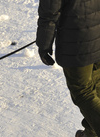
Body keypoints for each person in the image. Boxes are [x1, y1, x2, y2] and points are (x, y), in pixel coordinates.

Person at [36, 0, 100, 137]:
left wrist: (44, 44)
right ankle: (91, 133)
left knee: (83, 92)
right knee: (97, 86)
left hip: (77, 40)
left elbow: (49, 12)